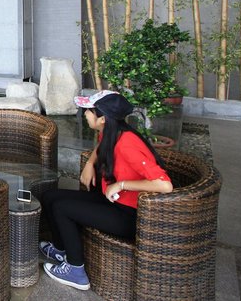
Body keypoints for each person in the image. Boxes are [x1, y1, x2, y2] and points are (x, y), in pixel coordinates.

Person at [39, 90, 173, 291]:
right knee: (50, 197)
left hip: (131, 216)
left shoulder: (127, 144)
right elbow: (101, 146)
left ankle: (76, 271)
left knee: (62, 208)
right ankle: (61, 250)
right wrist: (89, 163)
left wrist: (121, 184)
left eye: (89, 111)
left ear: (102, 118)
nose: (85, 114)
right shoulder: (112, 131)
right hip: (112, 201)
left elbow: (164, 185)